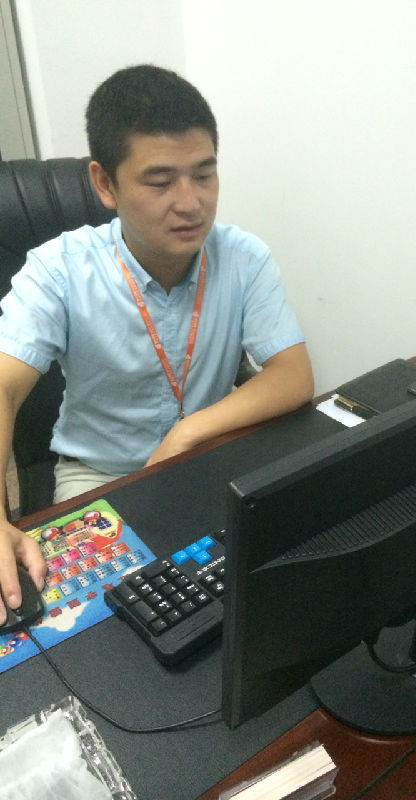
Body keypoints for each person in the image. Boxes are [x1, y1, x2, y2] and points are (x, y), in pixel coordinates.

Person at [0, 65, 313, 622]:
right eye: (161, 181)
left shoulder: (244, 258)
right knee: (107, 626)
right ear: (105, 184)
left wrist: (188, 432)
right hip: (101, 478)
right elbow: (3, 387)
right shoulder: (60, 269)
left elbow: (293, 374)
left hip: (208, 456)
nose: (191, 203)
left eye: (204, 174)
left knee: (267, 595)